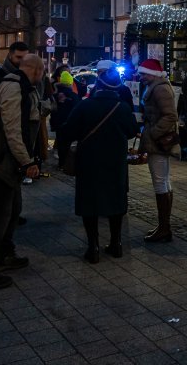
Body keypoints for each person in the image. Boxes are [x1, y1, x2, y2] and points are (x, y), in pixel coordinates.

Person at [0, 54, 50, 289]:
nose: (43, 76)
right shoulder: (13, 88)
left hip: (4, 161)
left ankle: (5, 254)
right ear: (36, 70)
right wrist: (27, 162)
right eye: (43, 71)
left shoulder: (21, 86)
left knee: (12, 210)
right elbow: (13, 131)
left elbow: (31, 115)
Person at [58, 68, 139, 263]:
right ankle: (116, 243)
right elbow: (132, 131)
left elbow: (69, 131)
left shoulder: (86, 106)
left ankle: (93, 247)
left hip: (89, 161)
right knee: (116, 202)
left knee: (90, 203)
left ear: (99, 85)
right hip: (115, 162)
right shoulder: (123, 108)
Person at [137, 59, 179, 243]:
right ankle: (164, 226)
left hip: (159, 142)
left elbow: (170, 115)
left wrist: (153, 133)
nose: (142, 77)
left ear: (153, 74)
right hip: (158, 140)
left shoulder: (160, 88)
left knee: (160, 182)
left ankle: (164, 228)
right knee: (164, 181)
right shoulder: (158, 85)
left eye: (144, 73)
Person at [50, 67, 78, 166]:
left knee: (61, 141)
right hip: (69, 122)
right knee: (67, 143)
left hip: (58, 122)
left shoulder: (54, 94)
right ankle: (67, 162)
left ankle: (61, 163)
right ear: (70, 83)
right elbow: (77, 110)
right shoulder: (73, 96)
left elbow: (52, 109)